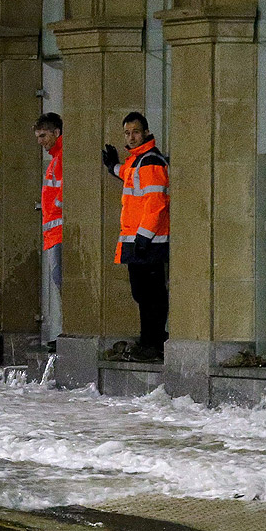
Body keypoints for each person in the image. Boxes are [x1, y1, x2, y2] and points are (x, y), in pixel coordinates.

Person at [101, 112, 169, 362]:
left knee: (151, 295)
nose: (131, 137)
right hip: (139, 240)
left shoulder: (150, 161)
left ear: (146, 132)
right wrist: (113, 166)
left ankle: (153, 342)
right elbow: (128, 174)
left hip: (146, 241)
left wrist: (144, 237)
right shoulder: (138, 160)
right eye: (127, 133)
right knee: (143, 294)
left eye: (136, 132)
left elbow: (156, 203)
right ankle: (149, 340)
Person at [34, 112, 63, 349]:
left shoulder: (61, 159)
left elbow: (63, 198)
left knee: (63, 282)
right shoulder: (56, 159)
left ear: (56, 133)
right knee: (60, 282)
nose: (40, 141)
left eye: (43, 135)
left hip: (60, 234)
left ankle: (67, 336)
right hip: (54, 235)